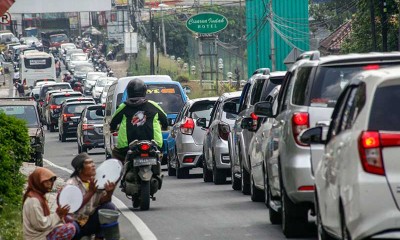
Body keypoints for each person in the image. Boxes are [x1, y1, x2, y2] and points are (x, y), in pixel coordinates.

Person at [110, 78, 168, 161]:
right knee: (160, 152)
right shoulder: (153, 105)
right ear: (144, 91)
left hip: (126, 146)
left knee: (116, 155)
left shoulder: (123, 107)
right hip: (153, 143)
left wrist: (112, 128)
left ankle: (121, 173)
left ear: (129, 92)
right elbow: (164, 119)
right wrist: (165, 127)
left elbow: (113, 122)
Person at [66, 153, 117, 240]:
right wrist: (91, 192)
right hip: (77, 222)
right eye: (89, 163)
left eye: (93, 162)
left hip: (90, 221)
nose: (93, 165)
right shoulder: (71, 185)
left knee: (109, 207)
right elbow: (72, 207)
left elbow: (103, 201)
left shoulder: (97, 181)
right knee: (71, 227)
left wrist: (109, 192)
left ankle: (100, 237)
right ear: (79, 169)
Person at [23, 167, 77, 240]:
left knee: (69, 219)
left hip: (42, 231)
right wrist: (57, 215)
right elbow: (41, 225)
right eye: (46, 181)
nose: (50, 184)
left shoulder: (39, 195)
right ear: (38, 181)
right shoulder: (34, 201)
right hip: (37, 237)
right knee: (70, 228)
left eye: (52, 180)